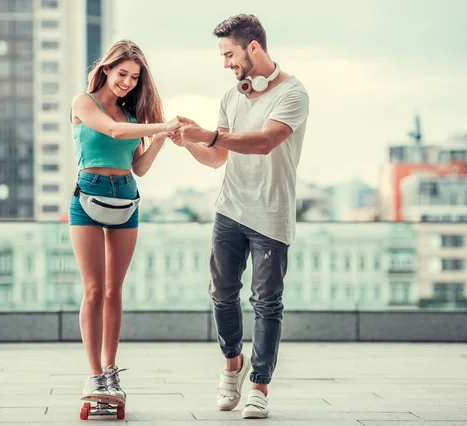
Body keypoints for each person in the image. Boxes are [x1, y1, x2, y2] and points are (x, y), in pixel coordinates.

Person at [171, 14, 310, 419]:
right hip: (230, 209)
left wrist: (208, 135)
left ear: (253, 47)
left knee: (267, 303)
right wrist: (188, 142)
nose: (226, 63)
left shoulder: (293, 93)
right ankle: (233, 364)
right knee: (221, 293)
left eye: (229, 54)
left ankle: (259, 387)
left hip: (271, 214)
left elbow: (265, 142)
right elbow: (217, 157)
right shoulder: (232, 97)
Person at [69, 39, 181, 405]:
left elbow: (139, 168)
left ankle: (111, 371)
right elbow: (111, 132)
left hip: (126, 197)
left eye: (134, 77)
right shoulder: (84, 103)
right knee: (93, 290)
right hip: (87, 194)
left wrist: (161, 137)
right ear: (106, 69)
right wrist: (161, 125)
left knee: (115, 290)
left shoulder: (133, 117)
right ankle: (94, 376)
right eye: (123, 74)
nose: (128, 83)